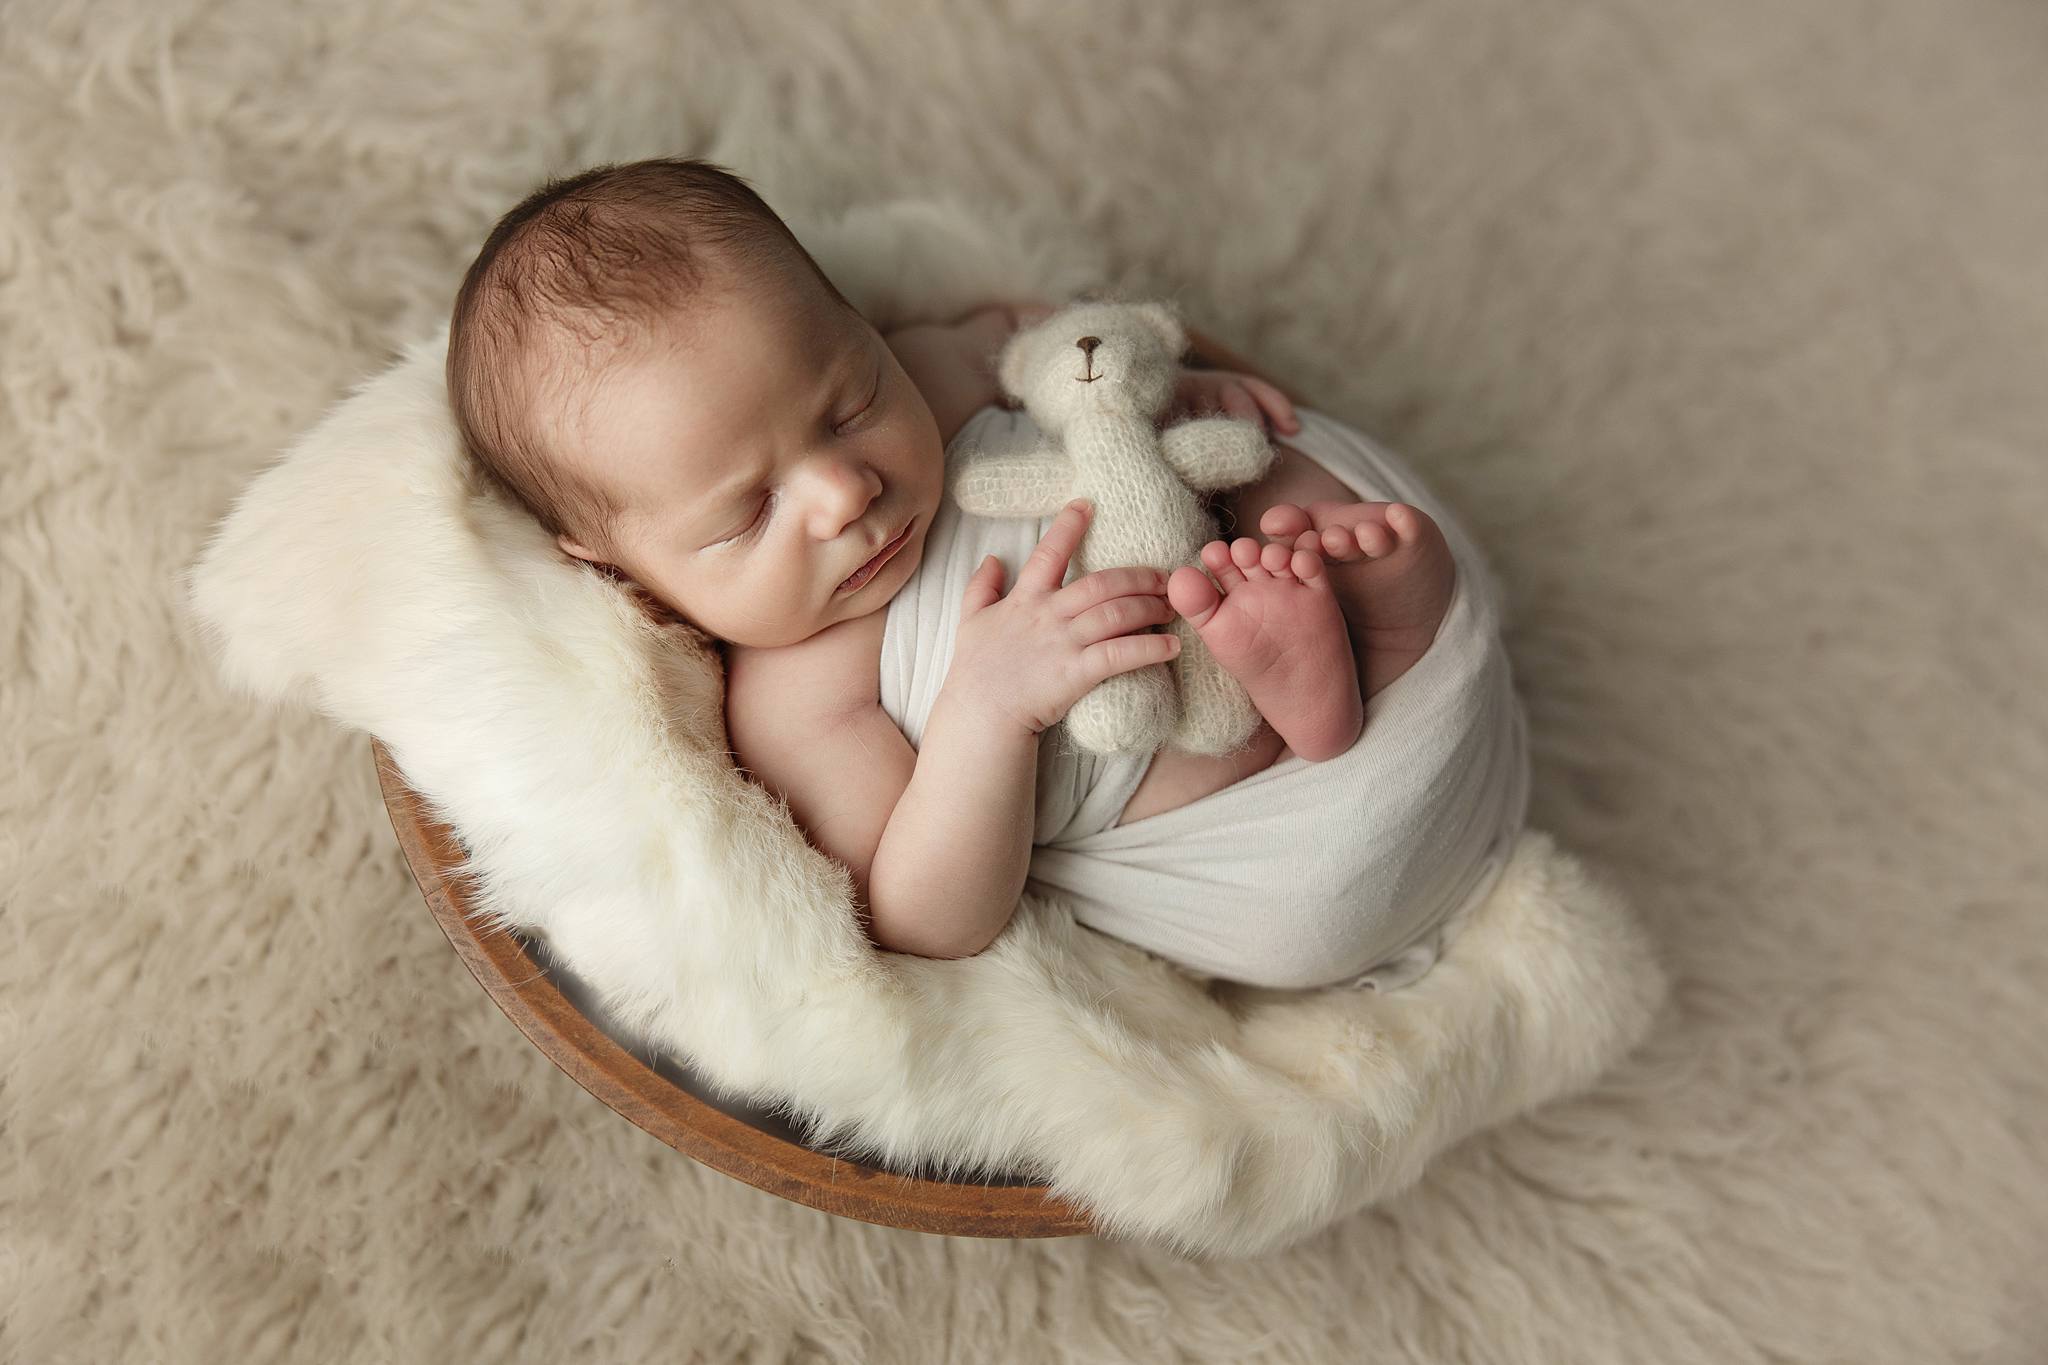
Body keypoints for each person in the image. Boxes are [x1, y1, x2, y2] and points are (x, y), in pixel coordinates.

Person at [446, 157, 1500, 991]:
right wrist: (985, 714)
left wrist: (1162, 388)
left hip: (1210, 545)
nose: (842, 490)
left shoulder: (933, 372)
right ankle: (1318, 687)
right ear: (618, 567)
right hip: (1250, 819)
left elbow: (1042, 341)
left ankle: (1378, 616)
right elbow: (925, 912)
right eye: (749, 511)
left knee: (1270, 455)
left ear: (858, 328)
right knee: (1289, 910)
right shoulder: (788, 701)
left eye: (848, 403)